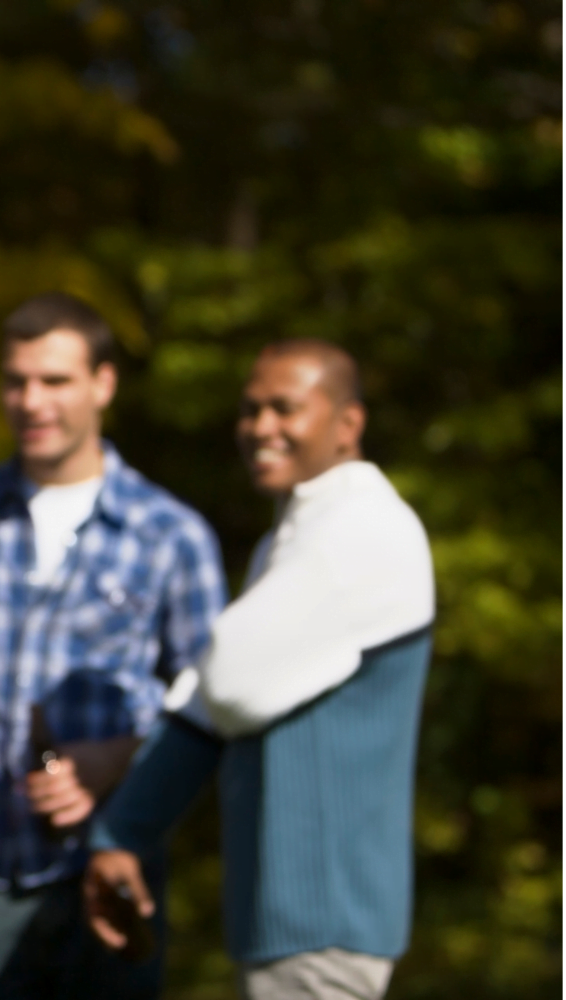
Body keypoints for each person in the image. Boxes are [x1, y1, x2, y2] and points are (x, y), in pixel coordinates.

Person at [0, 292, 227, 1000]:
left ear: (104, 384)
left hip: (111, 866)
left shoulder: (172, 534)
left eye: (55, 381)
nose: (31, 400)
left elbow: (209, 705)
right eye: (16, 381)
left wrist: (121, 759)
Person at [86, 342, 434, 1000]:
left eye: (286, 408)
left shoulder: (359, 528)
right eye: (250, 410)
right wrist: (123, 830)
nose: (261, 428)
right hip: (293, 925)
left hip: (323, 921)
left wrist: (126, 823)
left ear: (348, 425)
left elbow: (227, 682)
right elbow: (218, 685)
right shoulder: (298, 534)